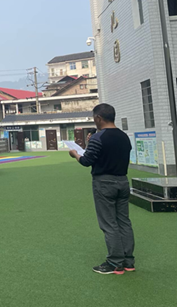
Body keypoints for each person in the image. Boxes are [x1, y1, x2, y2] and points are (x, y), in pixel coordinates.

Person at [69, 103, 135, 275]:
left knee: (109, 223)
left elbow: (86, 161)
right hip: (123, 181)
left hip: (104, 183)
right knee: (124, 221)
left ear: (98, 118)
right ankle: (128, 261)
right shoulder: (124, 136)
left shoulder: (98, 137)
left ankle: (115, 262)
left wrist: (75, 154)